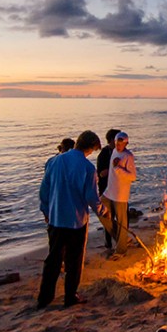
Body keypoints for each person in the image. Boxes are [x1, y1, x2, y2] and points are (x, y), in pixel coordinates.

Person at [37, 130, 108, 308]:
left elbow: (44, 190)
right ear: (90, 148)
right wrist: (102, 211)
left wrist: (45, 210)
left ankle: (44, 298)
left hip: (55, 218)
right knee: (74, 261)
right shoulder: (87, 168)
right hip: (76, 221)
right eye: (93, 150)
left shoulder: (53, 161)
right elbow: (91, 197)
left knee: (53, 259)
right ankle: (70, 296)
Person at [97, 132, 136, 260]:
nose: (118, 146)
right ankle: (122, 240)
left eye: (121, 144)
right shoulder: (114, 151)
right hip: (109, 191)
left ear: (126, 143)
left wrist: (118, 169)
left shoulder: (128, 156)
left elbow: (133, 177)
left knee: (121, 223)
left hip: (120, 194)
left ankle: (121, 250)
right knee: (99, 211)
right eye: (116, 143)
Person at [95, 129, 121, 249]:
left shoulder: (120, 152)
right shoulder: (104, 154)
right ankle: (108, 243)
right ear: (112, 140)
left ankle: (121, 241)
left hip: (119, 190)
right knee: (108, 216)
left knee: (121, 217)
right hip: (106, 190)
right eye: (118, 139)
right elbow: (101, 174)